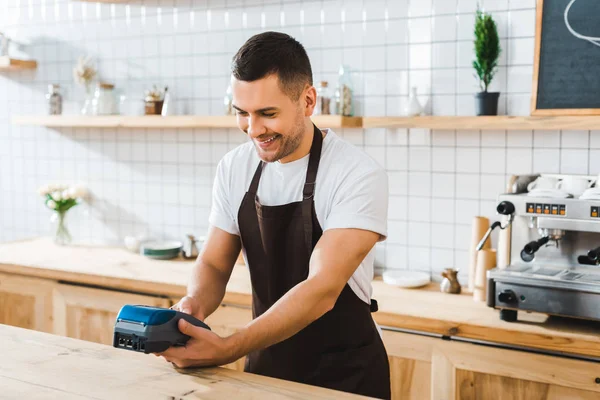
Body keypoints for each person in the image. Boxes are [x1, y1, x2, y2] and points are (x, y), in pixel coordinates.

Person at [159, 31, 391, 399]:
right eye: (243, 114)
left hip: (346, 378)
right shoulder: (234, 168)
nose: (254, 130)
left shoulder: (356, 174)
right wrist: (193, 307)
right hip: (265, 370)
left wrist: (230, 346)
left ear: (308, 100)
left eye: (267, 114)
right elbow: (216, 264)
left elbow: (322, 289)